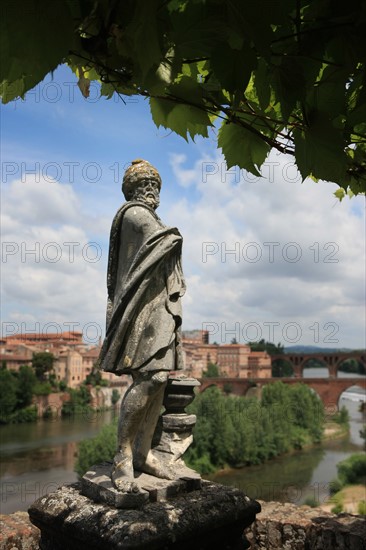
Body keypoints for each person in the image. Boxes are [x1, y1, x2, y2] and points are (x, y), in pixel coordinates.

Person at [97, 159, 186, 492]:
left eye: (154, 185)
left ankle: (143, 453)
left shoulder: (149, 215)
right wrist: (176, 235)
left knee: (160, 379)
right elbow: (160, 240)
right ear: (132, 190)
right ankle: (122, 456)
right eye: (144, 185)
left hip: (157, 304)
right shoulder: (134, 214)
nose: (151, 191)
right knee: (147, 379)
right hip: (142, 310)